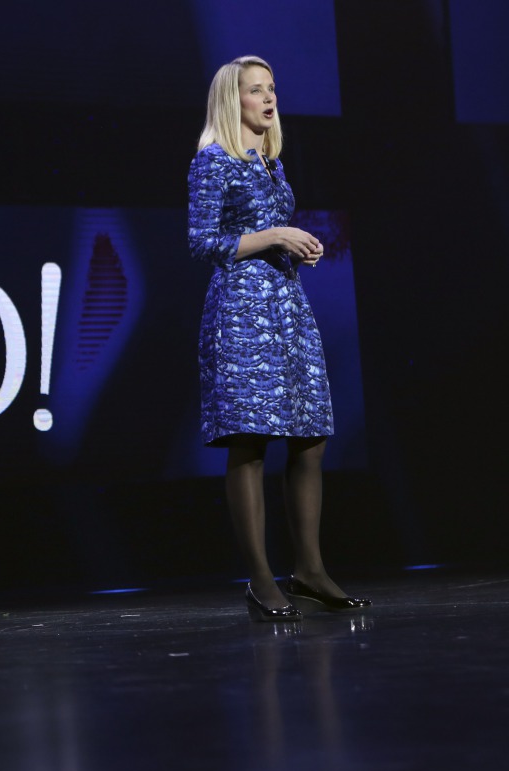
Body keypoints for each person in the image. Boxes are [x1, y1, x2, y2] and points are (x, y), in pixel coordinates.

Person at [187, 55, 370, 622]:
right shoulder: (213, 162)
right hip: (242, 313)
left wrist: (297, 247)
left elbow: (269, 237)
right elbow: (202, 242)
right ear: (231, 100)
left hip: (287, 309)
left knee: (310, 438)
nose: (268, 99)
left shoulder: (271, 164)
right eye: (255, 91)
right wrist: (276, 235)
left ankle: (310, 571)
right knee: (250, 443)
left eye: (271, 89)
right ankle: (261, 579)